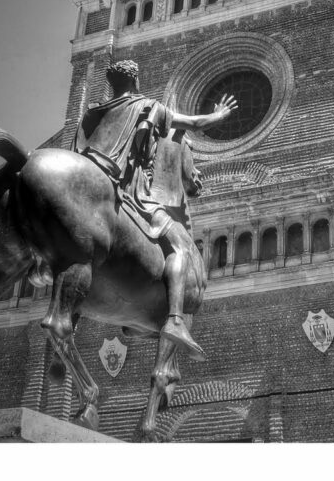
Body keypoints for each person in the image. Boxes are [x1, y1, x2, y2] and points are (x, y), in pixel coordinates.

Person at [74, 59, 237, 360]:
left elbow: (78, 151)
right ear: (135, 80)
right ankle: (175, 319)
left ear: (112, 83)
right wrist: (218, 114)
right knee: (180, 248)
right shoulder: (148, 107)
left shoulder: (95, 110)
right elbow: (194, 124)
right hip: (131, 192)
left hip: (88, 192)